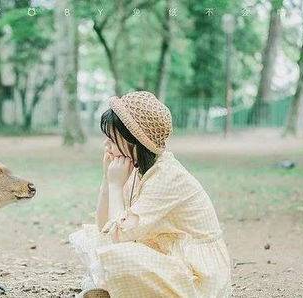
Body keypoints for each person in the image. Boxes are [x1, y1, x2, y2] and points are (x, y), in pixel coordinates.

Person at [69, 91, 232, 298]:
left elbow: (117, 238)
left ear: (134, 139)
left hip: (198, 274)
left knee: (121, 254)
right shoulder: (140, 169)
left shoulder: (166, 176)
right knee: (94, 238)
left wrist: (116, 186)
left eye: (111, 138)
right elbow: (105, 229)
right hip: (169, 257)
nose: (106, 145)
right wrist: (107, 182)